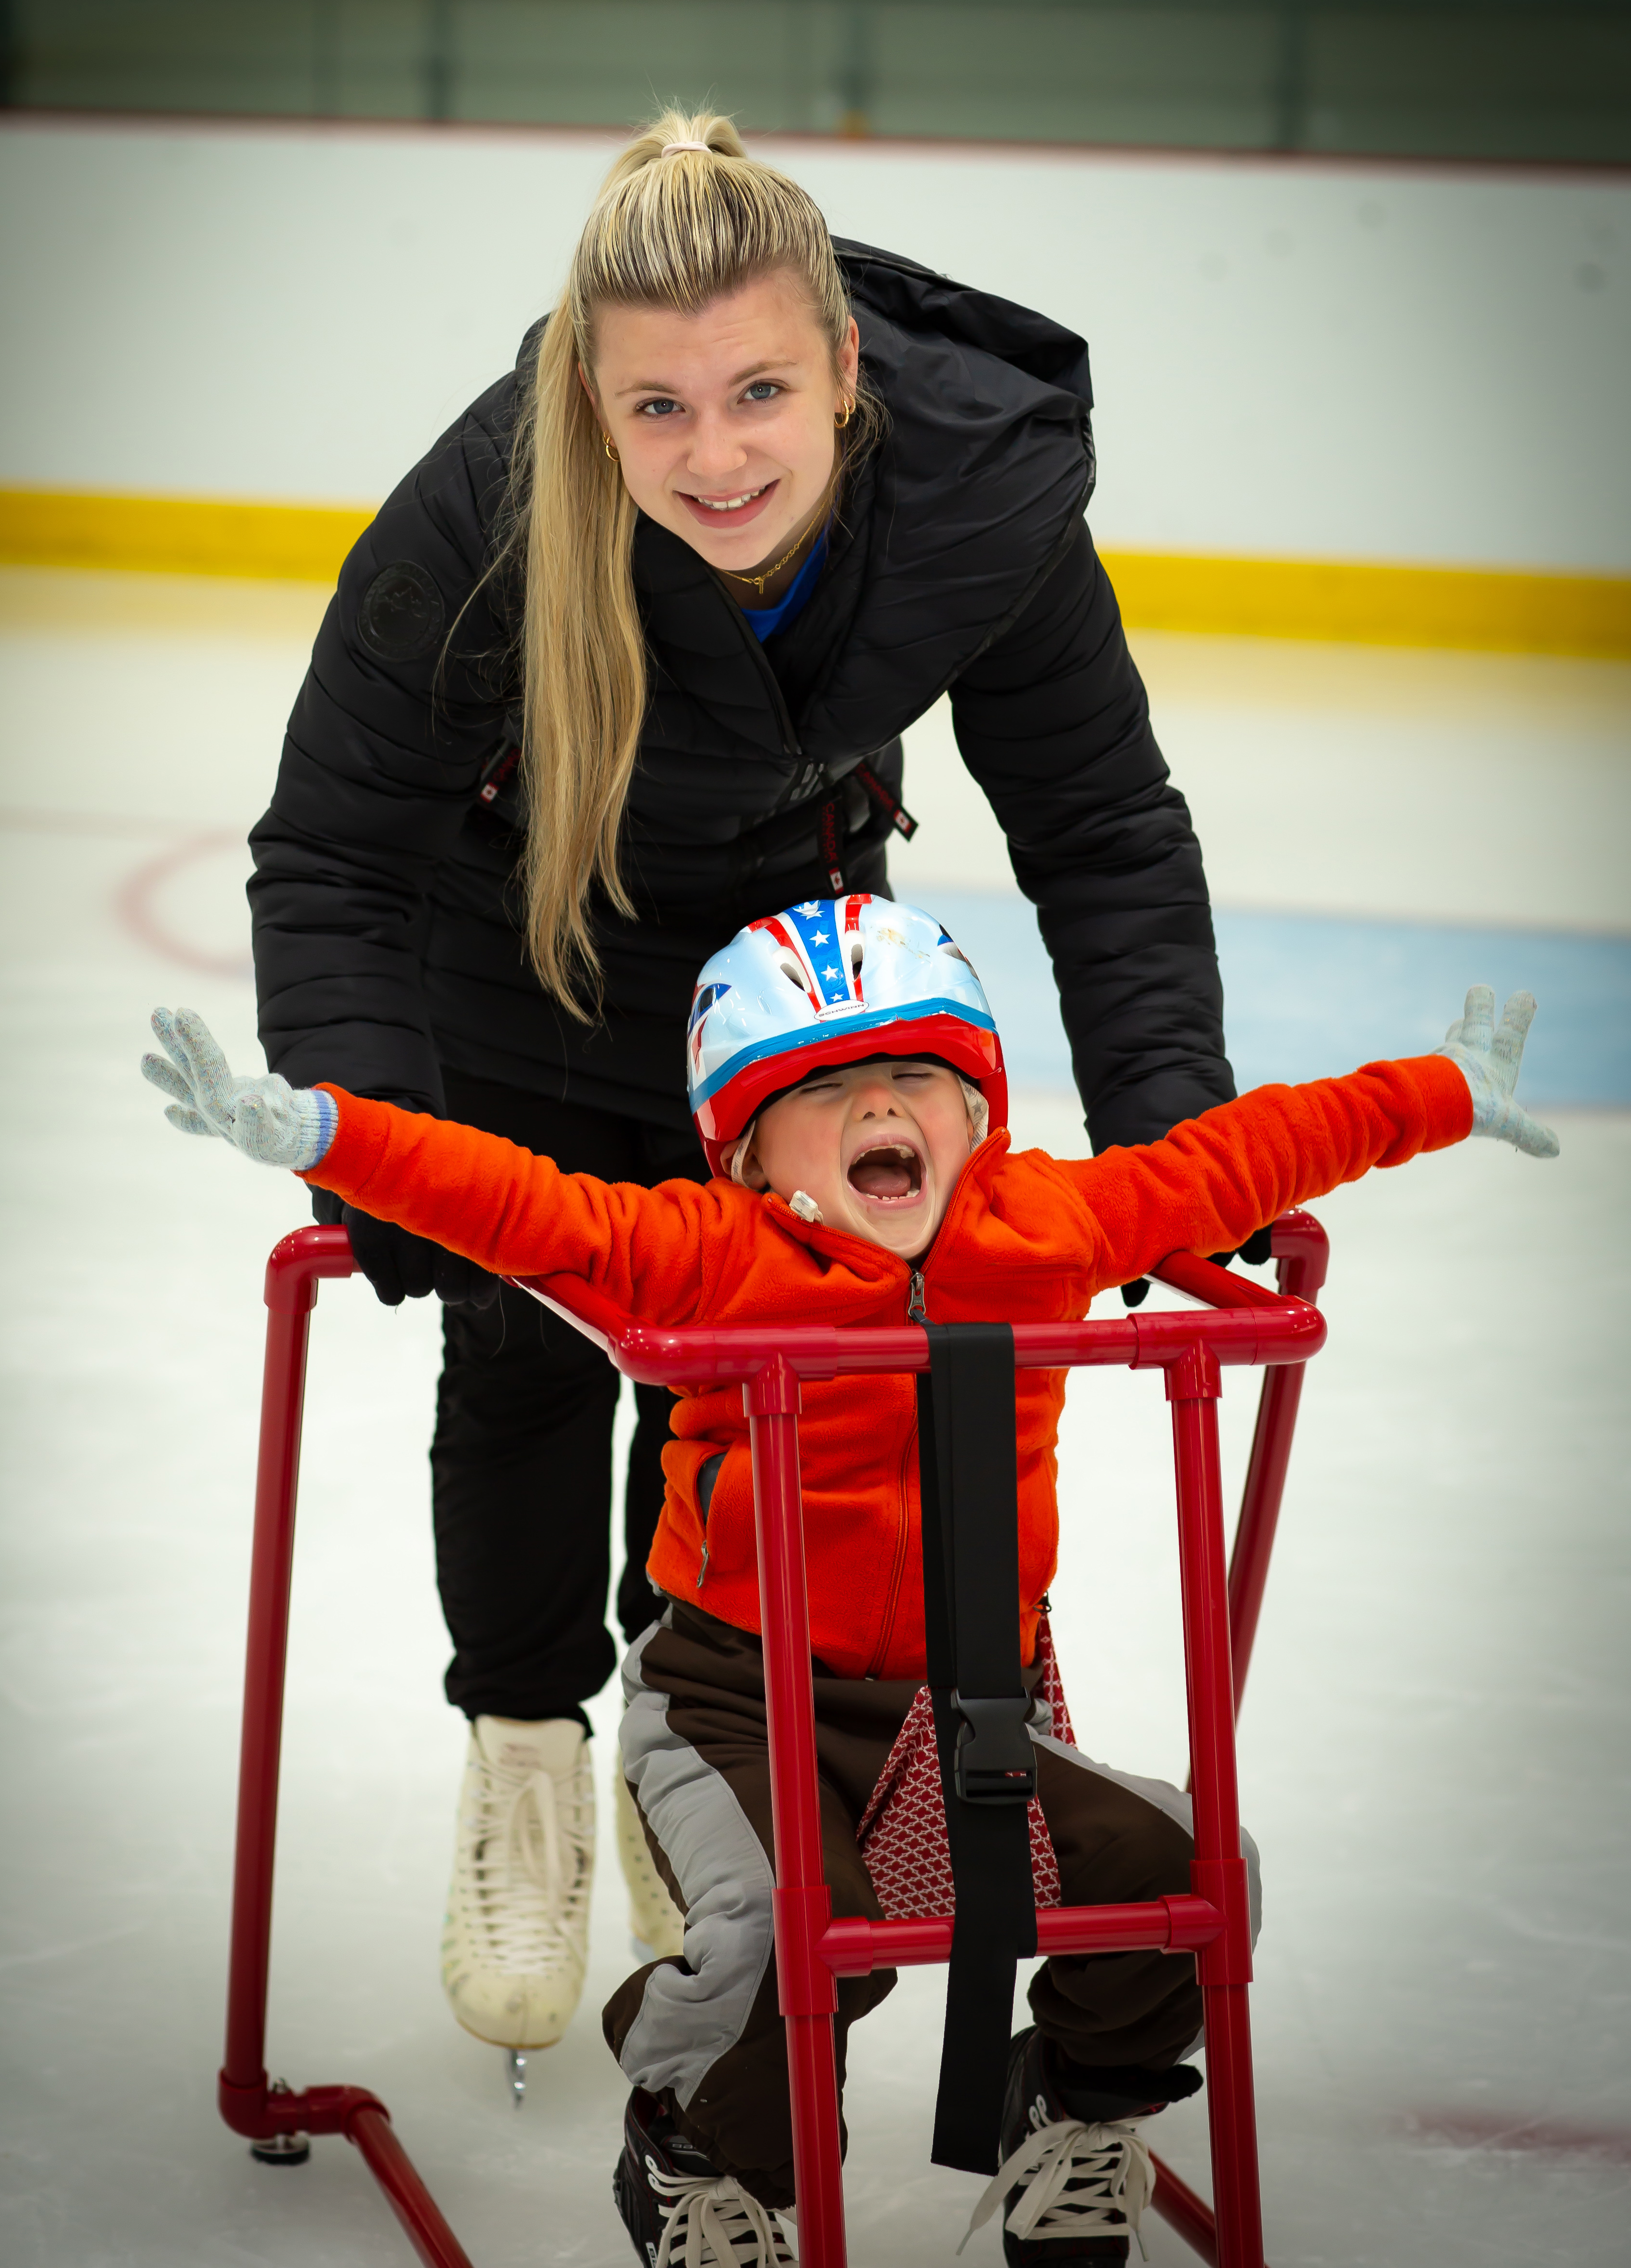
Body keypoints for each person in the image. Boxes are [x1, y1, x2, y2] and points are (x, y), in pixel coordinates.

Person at [249, 106, 1251, 2055]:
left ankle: (675, 1740)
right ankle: (524, 1749)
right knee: (532, 1345)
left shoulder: (975, 497)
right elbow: (335, 848)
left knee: (776, 1349)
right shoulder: (482, 517)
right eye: (658, 410)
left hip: (786, 975)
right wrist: (376, 1127)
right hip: (513, 946)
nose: (715, 454)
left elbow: (1105, 827)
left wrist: (1176, 1138)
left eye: (761, 391)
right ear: (581, 398)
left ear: (849, 371)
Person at [144, 894, 1556, 2266]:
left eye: (914, 1076)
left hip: (971, 1717)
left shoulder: (1051, 1225)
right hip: (732, 1703)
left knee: (1198, 1874)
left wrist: (1440, 1089)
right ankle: (700, 2152)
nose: (884, 1108)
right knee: (798, 1935)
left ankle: (1072, 2111)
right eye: (830, 1089)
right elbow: (514, 1201)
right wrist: (326, 1130)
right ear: (752, 1152)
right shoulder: (703, 1255)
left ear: (980, 1116)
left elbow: (1236, 1157)